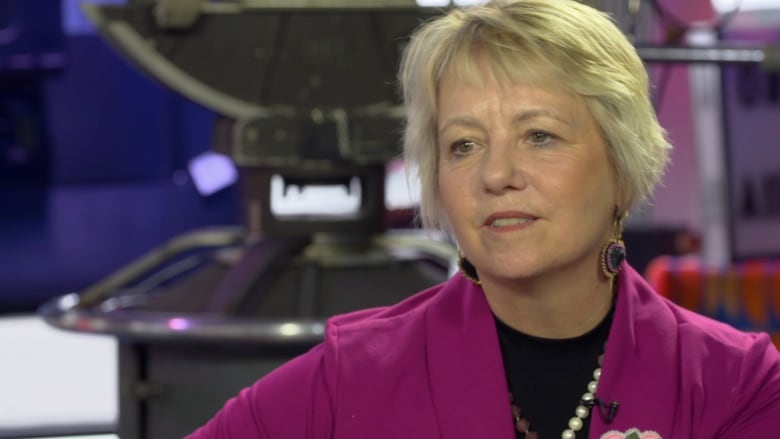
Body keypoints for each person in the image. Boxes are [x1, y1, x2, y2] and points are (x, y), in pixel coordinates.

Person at [186, 1, 780, 437]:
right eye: (464, 145)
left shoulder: (738, 385)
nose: (496, 175)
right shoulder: (348, 379)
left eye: (539, 136)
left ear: (623, 168)